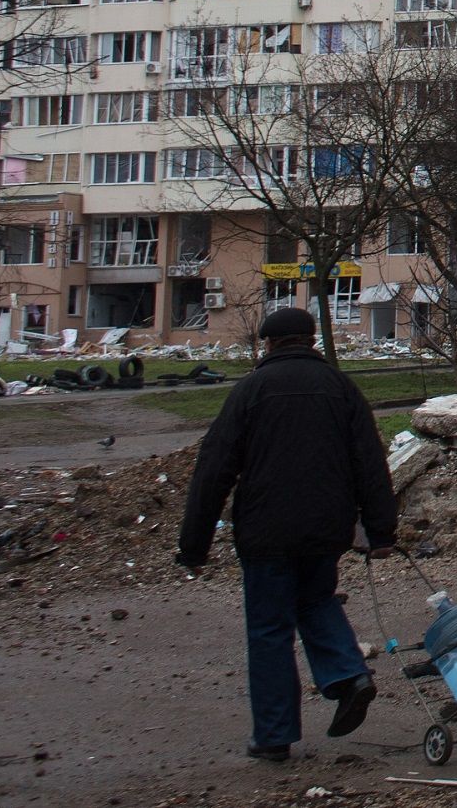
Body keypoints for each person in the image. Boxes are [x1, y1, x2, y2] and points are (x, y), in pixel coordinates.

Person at [177, 305, 398, 761]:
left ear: (269, 344)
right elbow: (371, 464)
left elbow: (214, 469)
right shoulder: (341, 389)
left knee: (269, 628)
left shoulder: (250, 391)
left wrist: (193, 545)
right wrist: (380, 532)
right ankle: (348, 674)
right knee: (316, 599)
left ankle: (274, 735)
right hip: (326, 527)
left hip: (265, 530)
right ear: (311, 340)